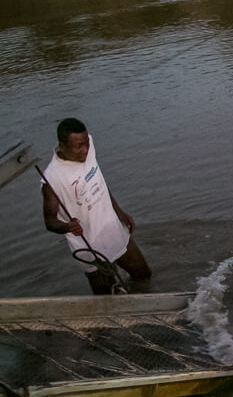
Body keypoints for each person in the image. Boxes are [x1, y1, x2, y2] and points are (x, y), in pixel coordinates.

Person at [41, 118, 151, 294]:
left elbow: (99, 182)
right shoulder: (52, 179)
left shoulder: (89, 145)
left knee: (144, 275)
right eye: (78, 146)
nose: (85, 151)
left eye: (86, 143)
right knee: (107, 299)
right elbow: (50, 221)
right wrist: (67, 226)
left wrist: (119, 211)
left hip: (114, 230)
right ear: (62, 146)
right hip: (89, 247)